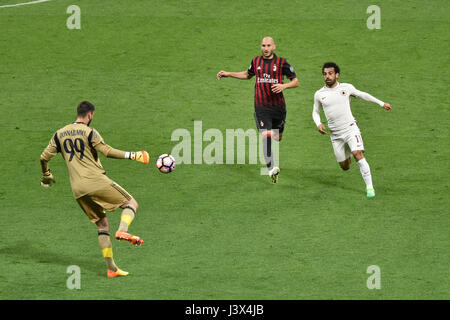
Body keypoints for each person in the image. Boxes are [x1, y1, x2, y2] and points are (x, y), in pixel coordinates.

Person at [40, 101, 149, 278]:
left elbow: (43, 157)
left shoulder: (58, 134)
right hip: (95, 181)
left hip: (77, 190)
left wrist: (47, 174)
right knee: (131, 203)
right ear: (90, 115)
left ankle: (112, 269)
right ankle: (123, 230)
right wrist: (134, 155)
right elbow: (107, 151)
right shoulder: (90, 132)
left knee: (102, 225)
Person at [217, 36, 299, 183]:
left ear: (274, 47)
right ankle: (271, 169)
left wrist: (284, 86)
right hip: (261, 107)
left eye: (268, 45)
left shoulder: (281, 63)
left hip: (279, 108)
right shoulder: (256, 61)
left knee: (277, 137)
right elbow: (247, 75)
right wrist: (228, 74)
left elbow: (295, 81)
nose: (265, 48)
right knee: (266, 136)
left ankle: (272, 162)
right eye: (263, 45)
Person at [312, 62, 392, 197]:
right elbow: (315, 111)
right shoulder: (319, 94)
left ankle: (370, 188)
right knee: (345, 167)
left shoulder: (346, 88)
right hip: (335, 135)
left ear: (337, 74)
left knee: (358, 154)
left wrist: (381, 103)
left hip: (350, 129)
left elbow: (362, 95)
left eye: (330, 73)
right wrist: (318, 124)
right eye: (325, 74)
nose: (327, 76)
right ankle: (349, 150)